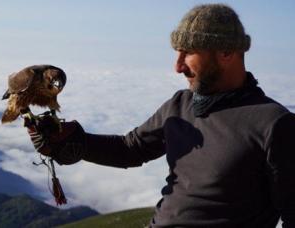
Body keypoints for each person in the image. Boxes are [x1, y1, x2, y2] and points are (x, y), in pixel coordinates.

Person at [27, 4, 295, 227]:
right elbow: (130, 149)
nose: (177, 66)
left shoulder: (274, 124)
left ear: (226, 52)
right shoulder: (181, 104)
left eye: (188, 52)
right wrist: (75, 141)